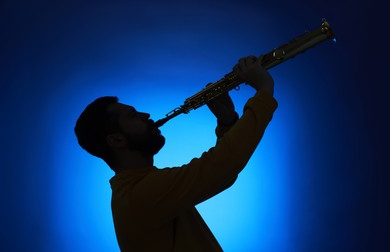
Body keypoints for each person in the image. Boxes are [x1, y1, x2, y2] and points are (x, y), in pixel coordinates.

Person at [74, 56, 277, 251]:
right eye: (133, 116)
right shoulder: (141, 195)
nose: (146, 115)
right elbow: (222, 166)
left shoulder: (137, 191)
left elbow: (220, 172)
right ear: (117, 140)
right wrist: (264, 90)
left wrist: (226, 121)